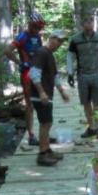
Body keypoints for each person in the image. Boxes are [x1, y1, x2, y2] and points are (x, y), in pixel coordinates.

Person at [66, 15, 98, 139]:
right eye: (86, 21)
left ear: (94, 23)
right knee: (86, 103)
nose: (89, 24)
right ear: (82, 24)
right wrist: (70, 73)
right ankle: (91, 126)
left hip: (97, 74)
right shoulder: (75, 39)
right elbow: (70, 56)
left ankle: (96, 127)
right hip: (82, 75)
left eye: (91, 21)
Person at [4, 12, 46, 146]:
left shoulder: (38, 37)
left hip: (39, 72)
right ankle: (31, 135)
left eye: (39, 27)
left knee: (42, 101)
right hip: (27, 73)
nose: (37, 29)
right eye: (36, 27)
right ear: (30, 24)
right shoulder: (23, 36)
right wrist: (19, 63)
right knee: (30, 104)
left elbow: (40, 52)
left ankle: (43, 131)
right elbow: (7, 50)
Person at [29, 30, 70, 166]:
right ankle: (42, 154)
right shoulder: (41, 53)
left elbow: (54, 76)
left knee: (48, 123)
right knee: (45, 123)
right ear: (51, 39)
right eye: (58, 40)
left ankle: (47, 150)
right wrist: (41, 92)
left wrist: (62, 91)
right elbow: (34, 74)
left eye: (62, 42)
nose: (59, 44)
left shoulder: (49, 55)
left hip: (47, 94)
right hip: (40, 95)